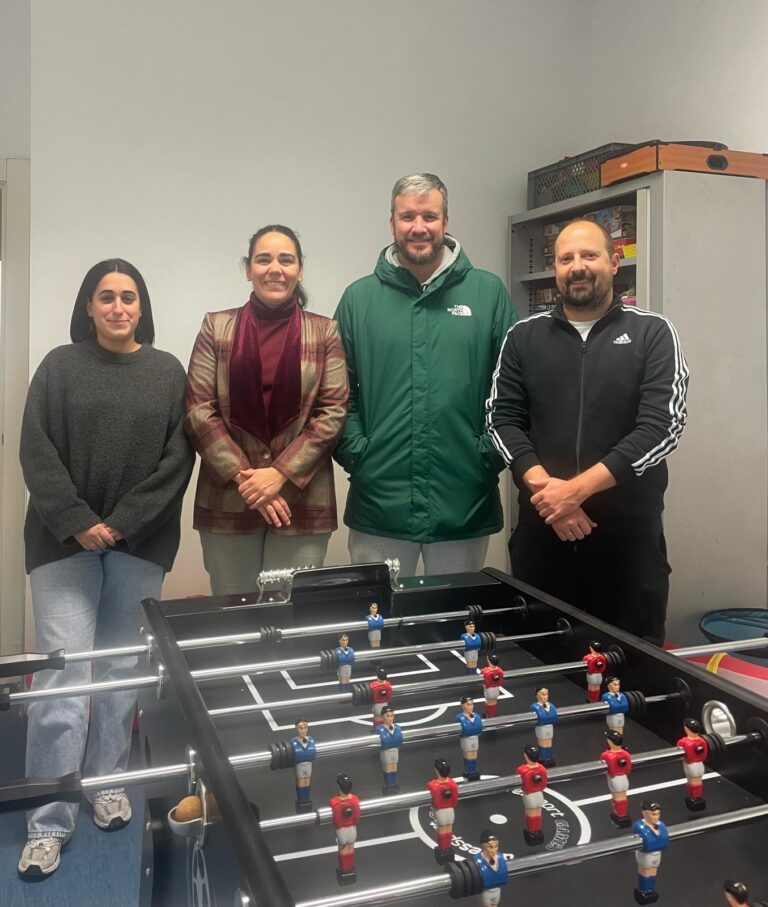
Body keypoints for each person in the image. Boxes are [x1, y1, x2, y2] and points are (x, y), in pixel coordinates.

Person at [17, 259, 194, 878]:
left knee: (120, 670)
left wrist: (121, 522)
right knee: (64, 678)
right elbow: (34, 449)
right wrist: (77, 519)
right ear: (88, 307)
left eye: (129, 297)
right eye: (106, 297)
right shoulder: (59, 368)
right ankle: (48, 817)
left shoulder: (168, 372)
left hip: (137, 545)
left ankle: (108, 783)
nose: (118, 307)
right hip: (62, 542)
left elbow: (178, 461)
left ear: (142, 306)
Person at [487, 218, 689, 644]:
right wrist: (553, 499)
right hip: (542, 536)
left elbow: (662, 426)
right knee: (539, 665)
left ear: (614, 263)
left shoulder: (652, 333)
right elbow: (502, 419)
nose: (577, 266)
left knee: (631, 672)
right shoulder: (522, 338)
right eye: (566, 258)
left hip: (628, 544)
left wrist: (576, 491)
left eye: (589, 255)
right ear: (555, 270)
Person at [334, 173, 517, 576]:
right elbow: (336, 394)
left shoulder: (488, 294)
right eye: (407, 216)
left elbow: (512, 390)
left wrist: (485, 454)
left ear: (445, 222)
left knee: (456, 622)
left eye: (429, 216)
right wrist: (358, 453)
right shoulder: (358, 299)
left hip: (463, 499)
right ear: (392, 223)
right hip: (380, 499)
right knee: (375, 624)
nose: (419, 227)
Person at [185, 225, 349, 594]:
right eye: (264, 259)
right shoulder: (216, 327)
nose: (275, 268)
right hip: (228, 500)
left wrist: (279, 475)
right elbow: (199, 410)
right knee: (234, 621)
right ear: (248, 268)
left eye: (286, 260)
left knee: (290, 620)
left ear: (299, 269)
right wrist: (248, 478)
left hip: (302, 502)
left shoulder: (325, 332)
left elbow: (333, 413)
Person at [633, 800, 669, 904]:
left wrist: (654, 843)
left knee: (653, 872)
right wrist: (655, 843)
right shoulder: (639, 827)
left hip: (656, 853)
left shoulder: (661, 825)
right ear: (645, 813)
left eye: (658, 814)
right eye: (653, 814)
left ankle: (650, 890)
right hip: (646, 855)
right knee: (646, 871)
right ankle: (644, 891)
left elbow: (663, 842)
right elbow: (652, 842)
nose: (656, 817)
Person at [329, 773, 361, 885]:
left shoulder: (336, 803)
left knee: (343, 849)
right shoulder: (355, 800)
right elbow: (357, 817)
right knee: (351, 848)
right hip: (352, 829)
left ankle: (344, 870)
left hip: (342, 830)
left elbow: (336, 821)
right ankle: (349, 868)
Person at [427, 757, 459, 864]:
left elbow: (435, 801)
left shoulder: (434, 786)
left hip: (440, 811)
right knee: (449, 829)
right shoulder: (453, 784)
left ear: (436, 770)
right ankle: (448, 848)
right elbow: (455, 799)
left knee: (442, 830)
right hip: (450, 810)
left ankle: (442, 849)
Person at [516, 744, 547, 846]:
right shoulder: (542, 768)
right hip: (539, 794)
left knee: (531, 814)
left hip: (529, 795)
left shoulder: (522, 770)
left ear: (526, 756)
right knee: (538, 813)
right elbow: (543, 784)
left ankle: (532, 833)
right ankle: (537, 831)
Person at [600, 730, 632, 828]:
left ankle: (620, 817)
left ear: (610, 741)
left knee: (617, 798)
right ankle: (622, 815)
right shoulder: (626, 753)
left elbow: (611, 770)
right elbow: (628, 768)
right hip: (624, 778)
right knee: (623, 797)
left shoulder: (607, 755)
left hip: (614, 779)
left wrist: (612, 775)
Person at [677, 717, 708, 811]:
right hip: (700, 764)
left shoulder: (684, 742)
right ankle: (697, 797)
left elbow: (679, 749)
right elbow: (705, 754)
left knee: (693, 781)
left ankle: (694, 798)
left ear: (686, 729)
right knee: (698, 781)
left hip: (691, 765)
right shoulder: (702, 741)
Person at [473, 829, 509, 906]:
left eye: (496, 846)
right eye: (490, 847)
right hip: (486, 893)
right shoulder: (477, 860)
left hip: (497, 891)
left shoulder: (500, 858)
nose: (494, 850)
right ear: (484, 846)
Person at [291, 718, 316, 812]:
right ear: (296, 729)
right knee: (301, 783)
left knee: (307, 782)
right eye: (301, 728)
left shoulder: (310, 740)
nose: (303, 730)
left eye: (305, 727)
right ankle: (301, 800)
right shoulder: (293, 742)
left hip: (308, 765)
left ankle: (306, 799)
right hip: (299, 766)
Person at [456, 693, 483, 780]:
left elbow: (478, 728)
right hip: (466, 740)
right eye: (468, 704)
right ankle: (469, 772)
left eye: (472, 704)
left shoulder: (477, 716)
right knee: (468, 755)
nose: (470, 707)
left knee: (474, 754)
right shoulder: (460, 718)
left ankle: (473, 771)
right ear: (463, 706)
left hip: (475, 738)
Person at [377, 704, 403, 794]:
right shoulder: (380, 729)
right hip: (386, 752)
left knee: (394, 767)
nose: (390, 718)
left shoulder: (397, 727)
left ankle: (394, 784)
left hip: (395, 751)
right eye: (388, 716)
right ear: (382, 717)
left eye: (392, 715)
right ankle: (389, 785)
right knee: (388, 768)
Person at [529, 685, 557, 766]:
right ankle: (543, 758)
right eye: (543, 694)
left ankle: (548, 757)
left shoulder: (551, 705)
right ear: (537, 695)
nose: (545, 696)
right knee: (543, 743)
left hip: (549, 726)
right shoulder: (535, 707)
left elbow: (553, 716)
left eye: (546, 694)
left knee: (549, 742)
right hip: (541, 728)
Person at [480, 653, 504, 718]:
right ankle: (492, 715)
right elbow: (501, 682)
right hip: (496, 689)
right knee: (494, 702)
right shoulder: (500, 670)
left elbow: (482, 675)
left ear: (489, 661)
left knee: (489, 702)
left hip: (489, 689)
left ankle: (489, 715)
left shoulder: (486, 671)